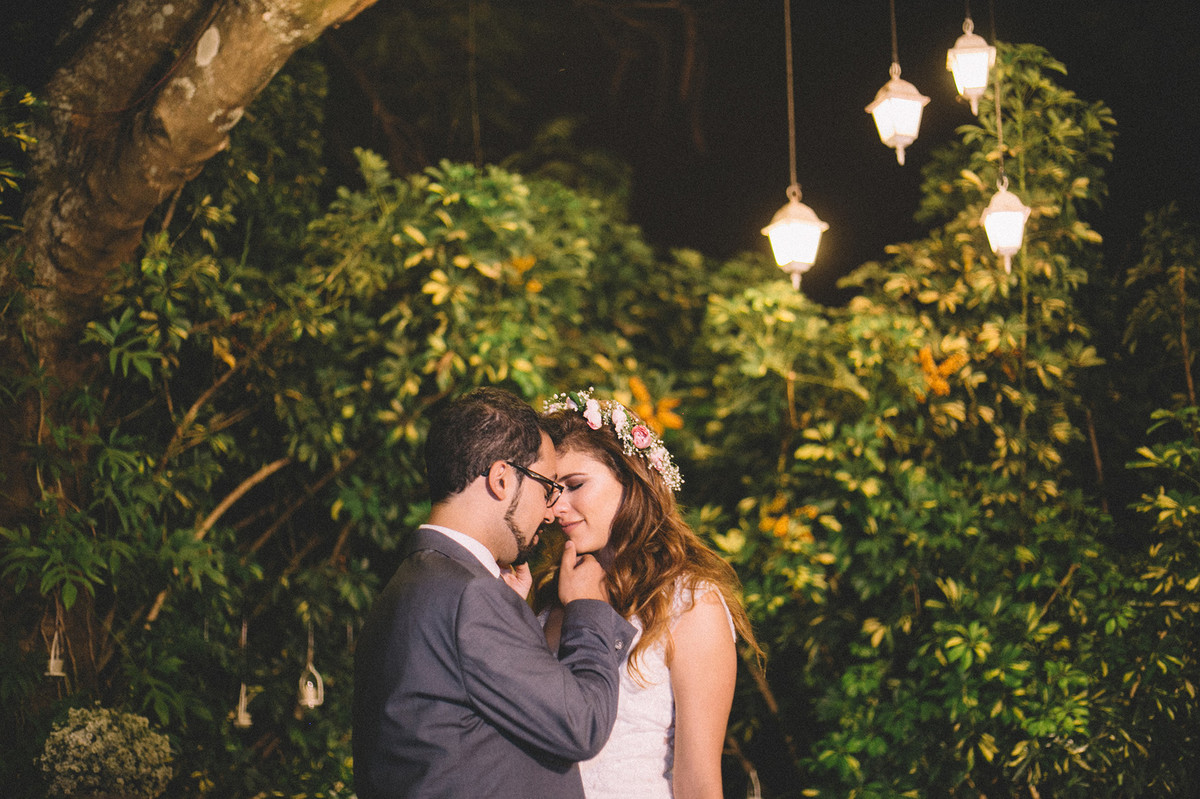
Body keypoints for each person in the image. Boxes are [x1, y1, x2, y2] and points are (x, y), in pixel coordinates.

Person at [353, 386, 636, 799]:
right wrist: (587, 607)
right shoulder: (472, 597)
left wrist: (514, 616)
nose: (550, 512)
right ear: (501, 479)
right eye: (547, 488)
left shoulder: (406, 586)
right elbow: (583, 724)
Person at [535, 389, 763, 799]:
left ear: (630, 477)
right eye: (551, 491)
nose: (556, 508)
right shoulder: (551, 595)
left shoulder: (691, 603)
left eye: (574, 485)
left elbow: (697, 783)